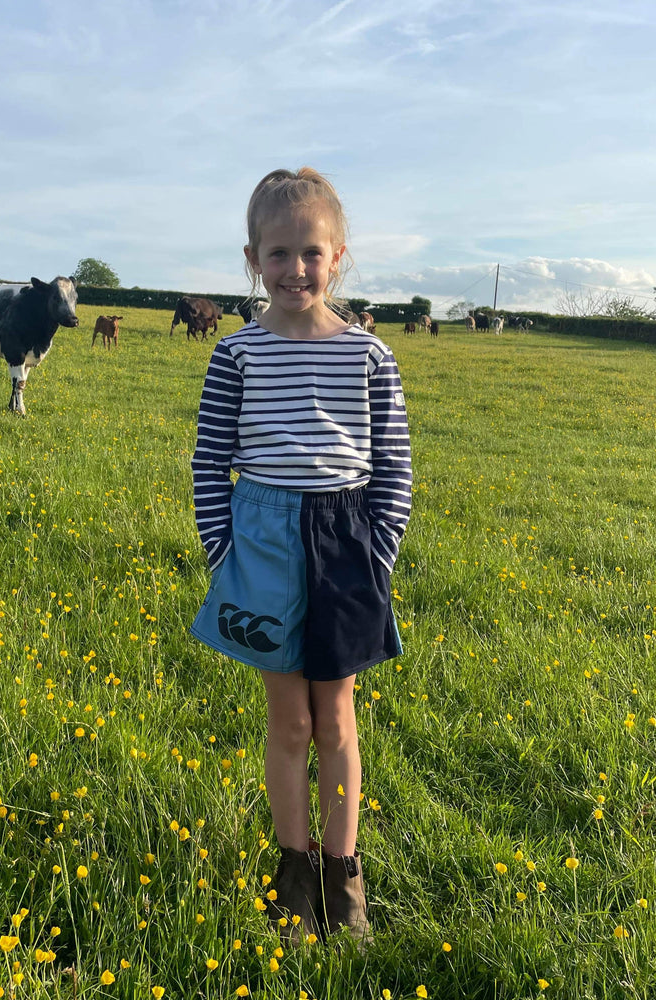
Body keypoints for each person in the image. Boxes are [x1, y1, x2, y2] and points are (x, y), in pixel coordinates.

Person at [190, 168, 413, 946]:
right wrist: (226, 552)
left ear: (338, 257)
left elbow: (394, 469)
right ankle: (293, 873)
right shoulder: (235, 355)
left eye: (310, 253)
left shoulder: (370, 356)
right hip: (263, 540)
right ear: (253, 259)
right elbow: (209, 461)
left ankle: (343, 876)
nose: (295, 271)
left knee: (336, 719)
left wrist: (376, 557)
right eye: (277, 254)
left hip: (347, 541)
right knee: (288, 723)